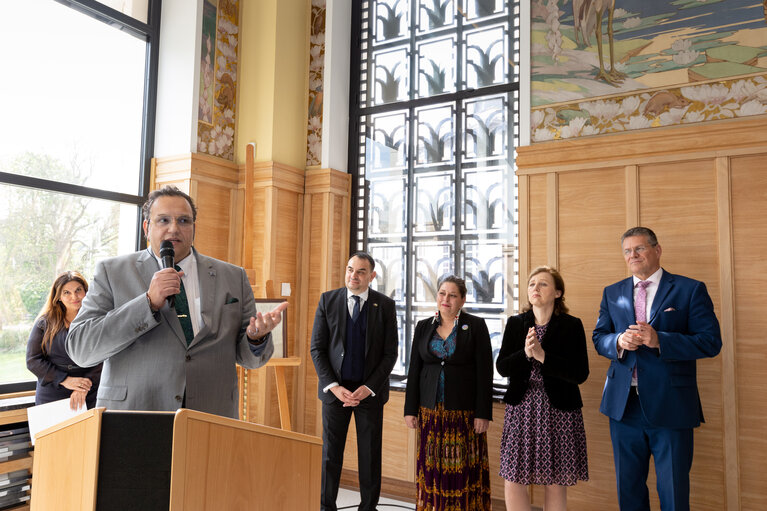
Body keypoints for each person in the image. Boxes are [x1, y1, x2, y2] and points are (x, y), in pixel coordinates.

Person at [67, 186, 287, 419]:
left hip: (212, 417)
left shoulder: (233, 276)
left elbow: (248, 359)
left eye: (184, 220)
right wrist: (148, 303)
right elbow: (81, 349)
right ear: (146, 228)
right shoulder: (112, 272)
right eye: (163, 220)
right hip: (135, 417)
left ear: (194, 228)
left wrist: (256, 338)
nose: (174, 228)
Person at [593, 226, 722, 511]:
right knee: (629, 491)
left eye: (639, 248)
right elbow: (599, 337)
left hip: (671, 406)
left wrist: (660, 340)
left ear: (657, 250)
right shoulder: (612, 292)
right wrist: (618, 341)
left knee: (673, 492)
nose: (633, 255)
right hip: (623, 407)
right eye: (627, 251)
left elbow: (711, 342)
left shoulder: (690, 289)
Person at [310, 252, 398, 511]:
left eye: (360, 271)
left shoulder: (384, 305)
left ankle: (368, 508)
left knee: (370, 457)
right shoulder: (328, 300)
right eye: (350, 269)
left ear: (371, 276)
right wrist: (334, 387)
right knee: (330, 456)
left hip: (368, 394)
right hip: (334, 393)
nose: (353, 275)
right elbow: (317, 348)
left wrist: (369, 387)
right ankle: (327, 507)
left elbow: (390, 353)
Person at [496, 266, 589, 511]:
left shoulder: (571, 325)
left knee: (556, 481)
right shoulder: (516, 324)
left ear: (558, 292)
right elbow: (502, 367)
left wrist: (543, 356)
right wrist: (526, 355)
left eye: (543, 284)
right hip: (521, 410)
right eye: (531, 284)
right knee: (513, 478)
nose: (535, 288)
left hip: (559, 411)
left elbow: (580, 373)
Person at [404, 275, 493, 511]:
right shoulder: (424, 326)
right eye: (442, 293)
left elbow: (485, 373)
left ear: (462, 300)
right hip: (430, 412)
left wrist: (483, 413)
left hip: (464, 414)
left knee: (463, 469)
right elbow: (414, 370)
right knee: (432, 467)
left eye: (453, 295)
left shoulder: (476, 325)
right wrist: (410, 410)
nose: (446, 299)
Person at [26, 271, 102, 410]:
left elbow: (105, 357)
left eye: (78, 290)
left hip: (88, 391)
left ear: (86, 291)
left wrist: (83, 387)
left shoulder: (97, 320)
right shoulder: (44, 323)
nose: (74, 296)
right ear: (58, 297)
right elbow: (33, 360)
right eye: (66, 292)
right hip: (52, 392)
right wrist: (64, 380)